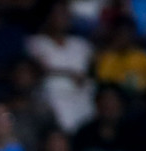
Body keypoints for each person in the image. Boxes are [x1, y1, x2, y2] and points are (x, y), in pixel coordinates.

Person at [27, 3, 96, 134]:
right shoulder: (35, 42)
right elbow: (41, 69)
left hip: (81, 96)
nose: (62, 18)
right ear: (47, 17)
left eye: (65, 14)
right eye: (57, 14)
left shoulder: (81, 44)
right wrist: (70, 73)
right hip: (53, 98)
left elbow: (91, 71)